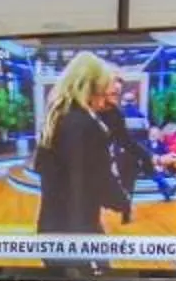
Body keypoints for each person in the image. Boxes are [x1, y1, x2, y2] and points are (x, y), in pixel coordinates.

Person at [31, 52, 136, 236]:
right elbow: (100, 179)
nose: (104, 96)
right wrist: (123, 201)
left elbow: (40, 165)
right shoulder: (85, 125)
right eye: (102, 88)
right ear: (91, 87)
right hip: (79, 233)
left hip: (50, 227)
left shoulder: (56, 116)